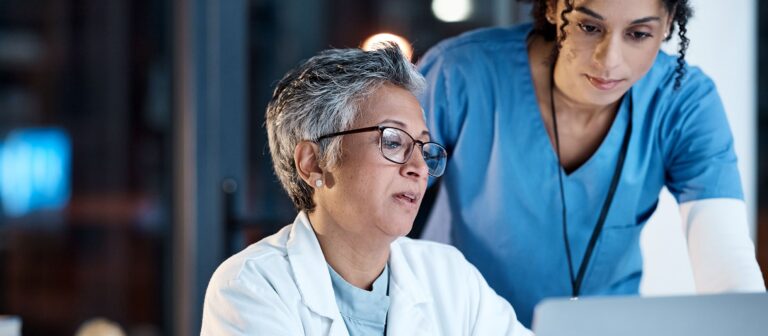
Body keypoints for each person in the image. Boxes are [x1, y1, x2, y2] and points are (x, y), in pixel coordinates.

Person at [417, 0, 766, 327]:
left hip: (603, 326)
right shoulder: (461, 72)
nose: (609, 61)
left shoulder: (684, 102)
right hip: (458, 321)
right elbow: (378, 207)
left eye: (638, 34)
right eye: (589, 27)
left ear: (668, 24)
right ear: (554, 8)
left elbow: (727, 265)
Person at [201, 44, 532, 336]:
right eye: (392, 141)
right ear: (313, 163)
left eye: (424, 146)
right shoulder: (251, 287)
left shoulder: (450, 277)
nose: (418, 168)